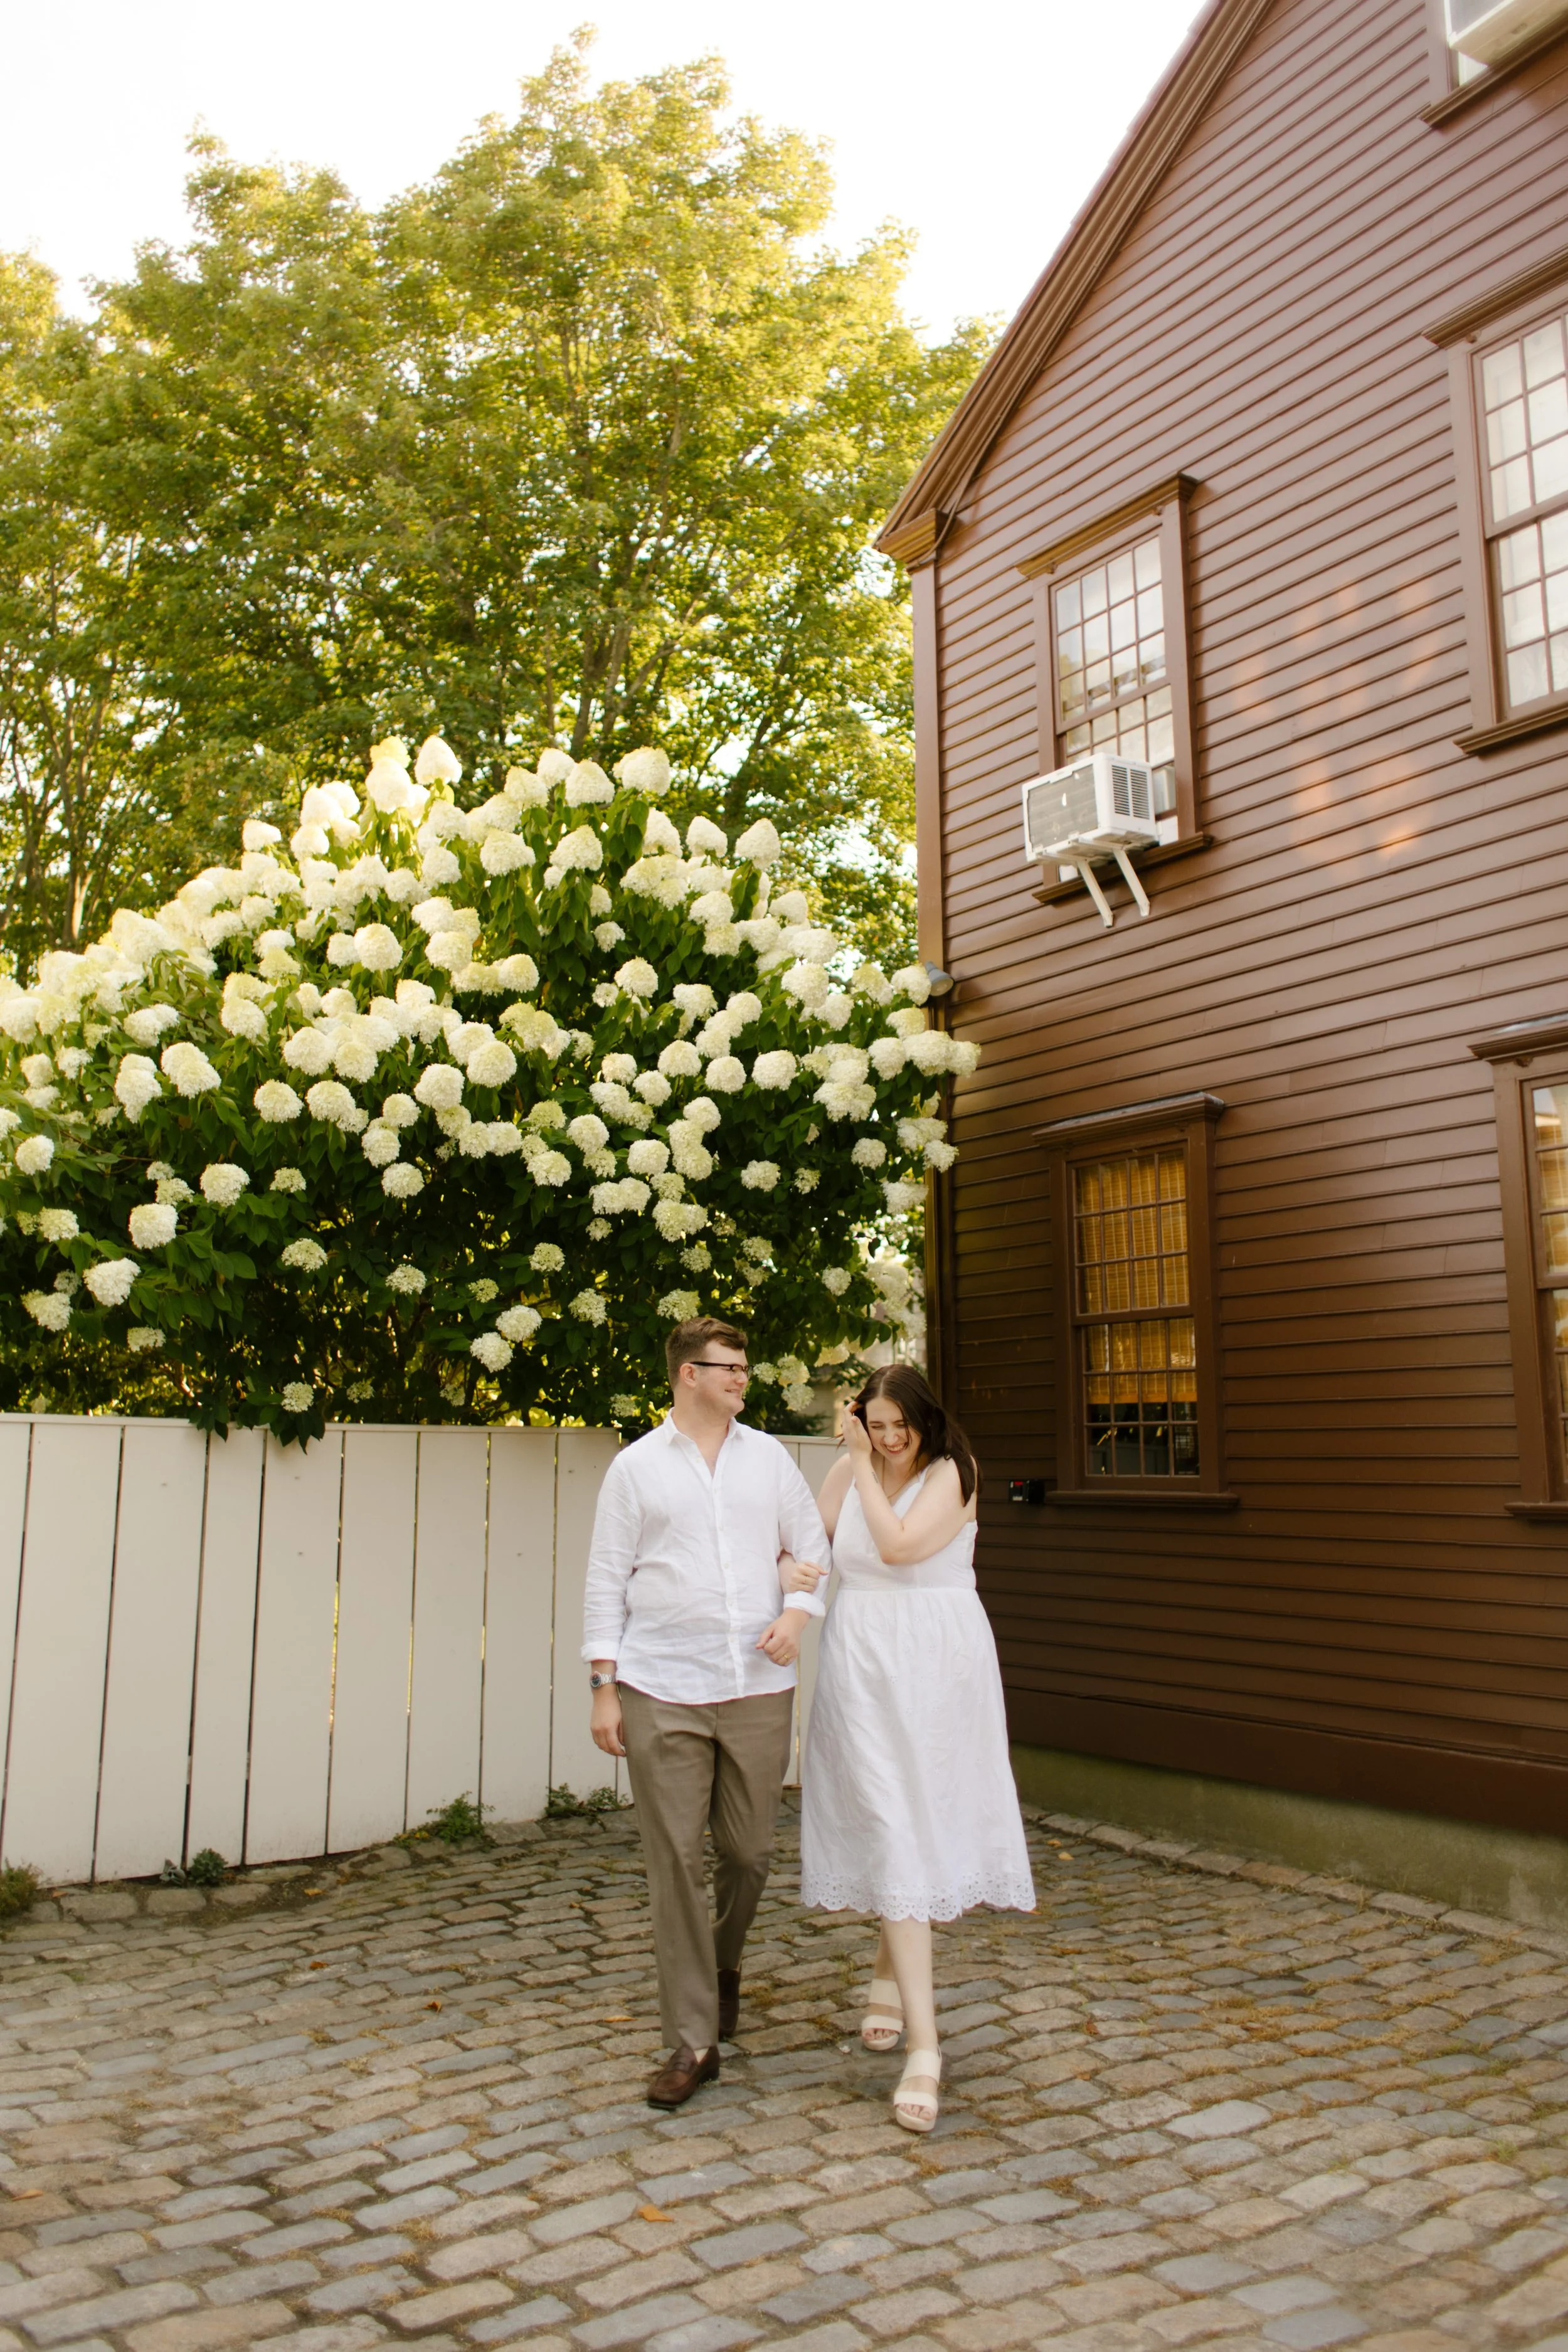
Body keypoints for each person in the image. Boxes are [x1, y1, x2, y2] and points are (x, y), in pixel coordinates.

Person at [583, 1315, 829, 2109]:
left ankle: (721, 1964)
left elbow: (811, 1550)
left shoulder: (771, 1460)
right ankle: (693, 2039)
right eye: (729, 1367)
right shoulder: (635, 1469)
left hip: (757, 1686)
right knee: (676, 1863)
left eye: (745, 1368)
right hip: (660, 1686)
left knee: (749, 1852)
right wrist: (604, 1682)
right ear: (688, 1373)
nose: (742, 1378)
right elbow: (605, 1578)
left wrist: (795, 1616)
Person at [785, 1364, 1035, 2132]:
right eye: (878, 1426)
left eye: (903, 1427)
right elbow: (811, 1543)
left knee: (918, 1824)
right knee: (888, 1825)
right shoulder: (845, 1469)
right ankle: (918, 2033)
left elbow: (895, 1548)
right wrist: (789, 1567)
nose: (891, 1441)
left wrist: (861, 1463)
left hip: (936, 1664)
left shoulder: (952, 1473)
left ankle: (912, 2027)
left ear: (926, 1419)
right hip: (862, 1663)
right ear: (861, 1415)